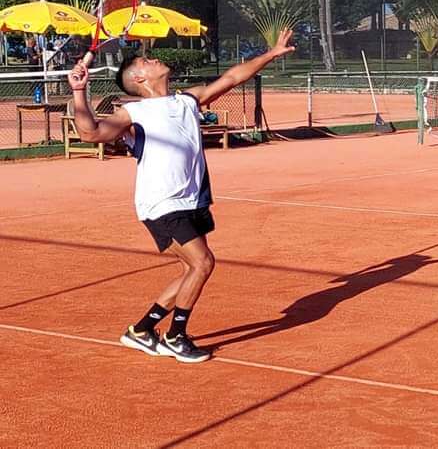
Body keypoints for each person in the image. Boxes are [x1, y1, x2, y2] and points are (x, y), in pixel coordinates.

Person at [67, 30, 295, 363]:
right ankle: (176, 336)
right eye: (147, 60)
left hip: (192, 200)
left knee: (191, 269)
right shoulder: (133, 114)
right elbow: (90, 132)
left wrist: (271, 53)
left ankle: (142, 330)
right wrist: (78, 91)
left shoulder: (187, 101)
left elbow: (232, 77)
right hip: (161, 204)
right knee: (203, 263)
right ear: (140, 77)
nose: (154, 57)